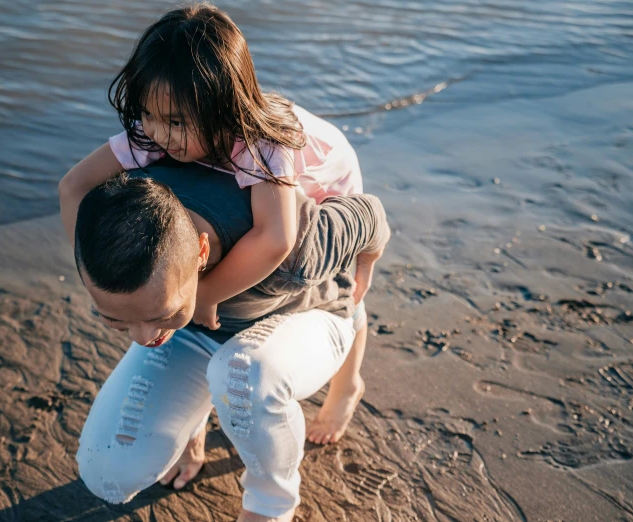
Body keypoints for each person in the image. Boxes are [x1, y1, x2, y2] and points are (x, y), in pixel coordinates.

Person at [59, 3, 369, 446]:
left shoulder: (263, 142)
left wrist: (206, 295)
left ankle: (347, 384)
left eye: (175, 122)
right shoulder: (158, 127)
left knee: (344, 287)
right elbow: (73, 186)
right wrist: (94, 266)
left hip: (328, 180)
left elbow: (275, 237)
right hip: (235, 151)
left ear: (222, 109)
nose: (158, 133)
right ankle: (194, 419)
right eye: (147, 113)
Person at [66, 161, 389, 521]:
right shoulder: (116, 218)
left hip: (306, 317)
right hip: (198, 329)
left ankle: (270, 505)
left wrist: (367, 265)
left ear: (201, 254)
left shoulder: (290, 244)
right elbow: (72, 187)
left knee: (241, 373)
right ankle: (194, 413)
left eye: (159, 316)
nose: (144, 339)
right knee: (108, 474)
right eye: (115, 319)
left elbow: (370, 213)